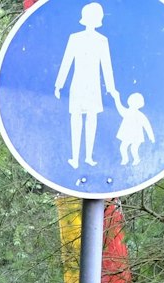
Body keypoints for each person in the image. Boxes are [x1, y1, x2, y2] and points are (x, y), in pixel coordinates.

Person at [54, 3, 120, 169]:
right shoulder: (75, 38)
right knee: (76, 119)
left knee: (91, 119)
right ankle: (75, 158)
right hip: (78, 84)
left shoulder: (102, 40)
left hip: (93, 86)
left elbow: (107, 66)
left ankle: (88, 157)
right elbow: (66, 62)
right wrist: (59, 84)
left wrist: (111, 88)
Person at [115, 92, 154, 164]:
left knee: (133, 149)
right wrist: (117, 98)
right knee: (123, 147)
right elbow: (120, 108)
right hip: (127, 134)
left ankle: (136, 159)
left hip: (136, 136)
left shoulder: (140, 115)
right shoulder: (127, 112)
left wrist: (151, 136)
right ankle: (125, 159)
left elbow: (147, 125)